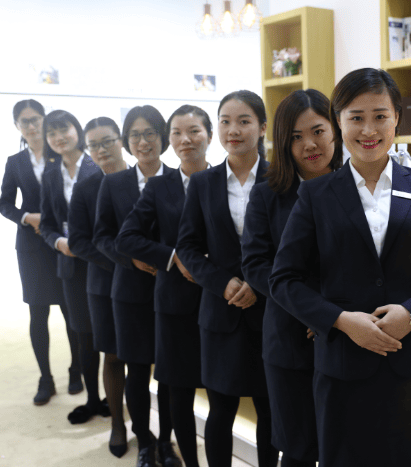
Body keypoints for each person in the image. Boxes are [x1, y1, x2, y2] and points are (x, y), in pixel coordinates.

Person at [269, 68, 411, 467]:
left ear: (397, 117)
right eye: (356, 117)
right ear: (339, 121)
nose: (368, 130)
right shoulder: (316, 194)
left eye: (380, 116)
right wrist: (341, 320)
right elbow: (283, 280)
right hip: (341, 366)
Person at [175, 90, 278, 467]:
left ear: (262, 127)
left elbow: (293, 246)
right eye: (225, 121)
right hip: (220, 313)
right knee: (220, 411)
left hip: (270, 313)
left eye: (244, 121)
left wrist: (257, 284)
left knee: (270, 412)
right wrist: (222, 283)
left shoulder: (281, 178)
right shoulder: (203, 183)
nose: (233, 130)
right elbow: (187, 247)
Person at [242, 89, 341, 467]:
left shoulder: (357, 186)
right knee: (298, 449)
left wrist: (332, 312)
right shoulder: (267, 194)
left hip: (348, 336)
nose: (309, 145)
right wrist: (312, 309)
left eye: (317, 131)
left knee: (344, 446)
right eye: (296, 137)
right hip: (289, 337)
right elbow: (255, 265)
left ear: (335, 130)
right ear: (283, 143)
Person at [116, 105, 212, 467]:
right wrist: (173, 257)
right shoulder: (159, 186)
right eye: (177, 132)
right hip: (174, 303)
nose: (185, 139)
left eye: (194, 131)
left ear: (209, 135)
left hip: (221, 299)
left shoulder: (223, 179)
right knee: (178, 390)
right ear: (170, 139)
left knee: (221, 393)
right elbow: (126, 238)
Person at [93, 105, 180, 467]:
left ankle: (167, 442)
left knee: (171, 374)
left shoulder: (180, 179)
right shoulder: (113, 183)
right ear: (127, 141)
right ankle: (144, 442)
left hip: (174, 291)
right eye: (135, 135)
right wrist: (133, 260)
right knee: (137, 371)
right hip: (129, 292)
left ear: (163, 137)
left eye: (150, 133)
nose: (143, 142)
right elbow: (101, 237)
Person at [0, 99, 78, 406]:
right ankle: (45, 378)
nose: (31, 126)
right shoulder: (15, 162)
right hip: (31, 247)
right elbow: (4, 203)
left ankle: (76, 369)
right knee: (38, 313)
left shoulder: (62, 154)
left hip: (64, 243)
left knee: (71, 310)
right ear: (17, 125)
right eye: (24, 121)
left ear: (44, 120)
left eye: (35, 119)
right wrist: (25, 217)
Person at [38, 109, 107, 426]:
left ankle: (114, 398)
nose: (58, 137)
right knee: (83, 335)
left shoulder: (98, 165)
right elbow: (47, 224)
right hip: (70, 265)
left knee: (111, 334)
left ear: (76, 130)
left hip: (103, 261)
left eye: (63, 129)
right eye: (51, 133)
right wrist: (58, 242)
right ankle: (92, 399)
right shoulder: (50, 174)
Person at [68, 117, 128, 457]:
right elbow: (78, 240)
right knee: (113, 354)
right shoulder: (86, 187)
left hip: (149, 281)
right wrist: (122, 262)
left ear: (121, 140)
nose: (101, 149)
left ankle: (157, 430)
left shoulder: (144, 177)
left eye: (107, 141)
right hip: (104, 283)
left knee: (149, 356)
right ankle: (118, 424)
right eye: (93, 145)